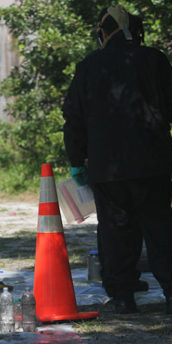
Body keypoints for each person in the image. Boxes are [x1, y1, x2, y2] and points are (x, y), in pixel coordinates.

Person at [62, 5, 172, 314]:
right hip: (154, 164)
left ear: (103, 32)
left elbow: (74, 119)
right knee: (161, 228)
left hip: (107, 168)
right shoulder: (154, 60)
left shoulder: (88, 67)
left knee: (114, 231)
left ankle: (123, 296)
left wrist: (76, 161)